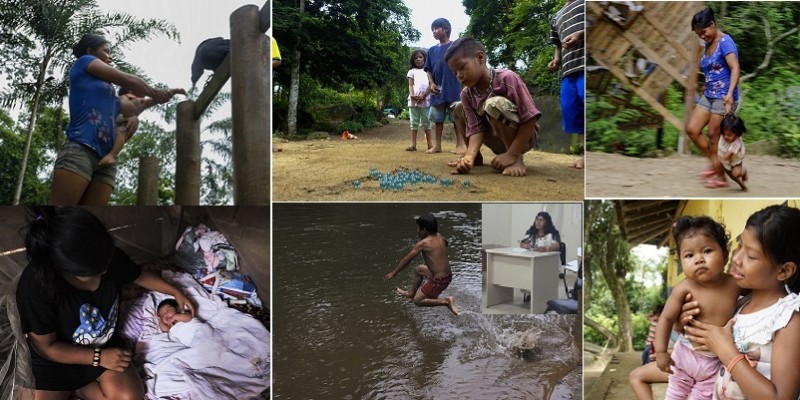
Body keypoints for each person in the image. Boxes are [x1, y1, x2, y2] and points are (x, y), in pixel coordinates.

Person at [14, 206, 196, 399]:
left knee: (130, 397)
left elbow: (139, 275)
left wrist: (174, 291)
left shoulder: (106, 258)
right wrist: (98, 358)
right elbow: (46, 347)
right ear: (65, 270)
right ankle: (77, 387)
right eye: (94, 272)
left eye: (106, 264)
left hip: (101, 344)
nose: (105, 272)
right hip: (57, 359)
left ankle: (81, 388)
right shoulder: (37, 286)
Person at [680, 205, 800, 399]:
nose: (736, 258)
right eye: (739, 245)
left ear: (783, 271)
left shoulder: (788, 318)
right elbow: (708, 342)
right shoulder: (740, 303)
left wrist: (725, 350)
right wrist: (683, 323)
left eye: (751, 256)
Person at [50, 34, 175, 205]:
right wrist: (154, 92)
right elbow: (128, 79)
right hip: (81, 148)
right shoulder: (84, 62)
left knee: (93, 218)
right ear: (90, 51)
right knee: (61, 213)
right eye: (106, 51)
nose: (110, 56)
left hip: (106, 161)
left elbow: (133, 107)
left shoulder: (108, 92)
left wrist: (157, 99)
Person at [654, 215, 741, 399]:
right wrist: (660, 350)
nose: (699, 259)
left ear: (725, 255)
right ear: (681, 261)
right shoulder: (683, 288)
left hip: (715, 360)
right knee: (675, 394)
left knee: (703, 396)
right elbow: (666, 318)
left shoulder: (735, 284)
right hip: (684, 355)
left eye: (707, 251)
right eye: (689, 255)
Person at [446, 38, 542, 177]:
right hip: (495, 139)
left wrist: (513, 154)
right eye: (454, 72)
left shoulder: (507, 78)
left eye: (461, 67)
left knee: (493, 104)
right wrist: (469, 157)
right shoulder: (466, 94)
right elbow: (476, 128)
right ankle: (474, 157)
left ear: (480, 57)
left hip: (522, 140)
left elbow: (530, 118)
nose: (459, 76)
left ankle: (516, 159)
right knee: (457, 108)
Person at [685, 8, 741, 189]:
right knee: (692, 129)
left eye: (703, 32)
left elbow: (735, 68)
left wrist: (730, 94)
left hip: (723, 97)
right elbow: (712, 70)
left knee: (713, 135)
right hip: (708, 95)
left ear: (712, 24)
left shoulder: (726, 42)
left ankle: (721, 177)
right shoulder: (708, 44)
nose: (702, 36)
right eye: (698, 34)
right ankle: (715, 162)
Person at [383, 214, 458, 316]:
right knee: (419, 269)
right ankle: (411, 293)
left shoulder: (423, 243)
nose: (417, 231)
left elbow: (407, 259)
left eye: (418, 228)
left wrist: (394, 273)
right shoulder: (440, 237)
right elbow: (446, 243)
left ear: (424, 230)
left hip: (440, 280)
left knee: (417, 301)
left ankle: (446, 301)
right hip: (447, 275)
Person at [98, 87, 187, 167]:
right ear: (130, 88)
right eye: (141, 85)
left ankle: (112, 155)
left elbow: (159, 97)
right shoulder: (119, 97)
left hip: (123, 121)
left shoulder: (141, 101)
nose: (145, 87)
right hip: (109, 119)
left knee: (121, 132)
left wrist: (175, 91)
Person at [548, 0, 585, 169]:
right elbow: (558, 45)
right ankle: (586, 155)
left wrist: (580, 35)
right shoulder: (555, 17)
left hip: (585, 65)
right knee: (573, 112)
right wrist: (556, 61)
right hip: (568, 72)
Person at [424, 17, 465, 154]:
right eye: (432, 30)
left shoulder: (455, 47)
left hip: (453, 88)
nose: (434, 32)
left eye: (436, 28)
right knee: (437, 119)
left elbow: (462, 65)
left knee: (456, 118)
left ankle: (460, 145)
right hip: (436, 90)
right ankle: (438, 146)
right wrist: (431, 83)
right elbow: (428, 69)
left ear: (445, 29)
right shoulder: (431, 50)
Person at [712, 113, 748, 191]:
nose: (726, 137)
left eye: (729, 135)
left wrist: (719, 161)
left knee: (735, 174)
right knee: (731, 175)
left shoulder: (736, 143)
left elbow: (728, 154)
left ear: (737, 134)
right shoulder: (725, 133)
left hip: (735, 159)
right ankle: (741, 184)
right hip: (725, 158)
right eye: (724, 134)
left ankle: (744, 171)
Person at [406, 48, 432, 151]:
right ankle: (413, 144)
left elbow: (431, 85)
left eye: (420, 57)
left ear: (425, 59)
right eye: (416, 58)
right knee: (414, 122)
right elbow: (411, 85)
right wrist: (412, 95)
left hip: (425, 99)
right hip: (413, 101)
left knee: (426, 122)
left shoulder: (428, 71)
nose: (418, 59)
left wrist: (424, 95)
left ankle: (430, 144)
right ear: (413, 60)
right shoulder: (411, 71)